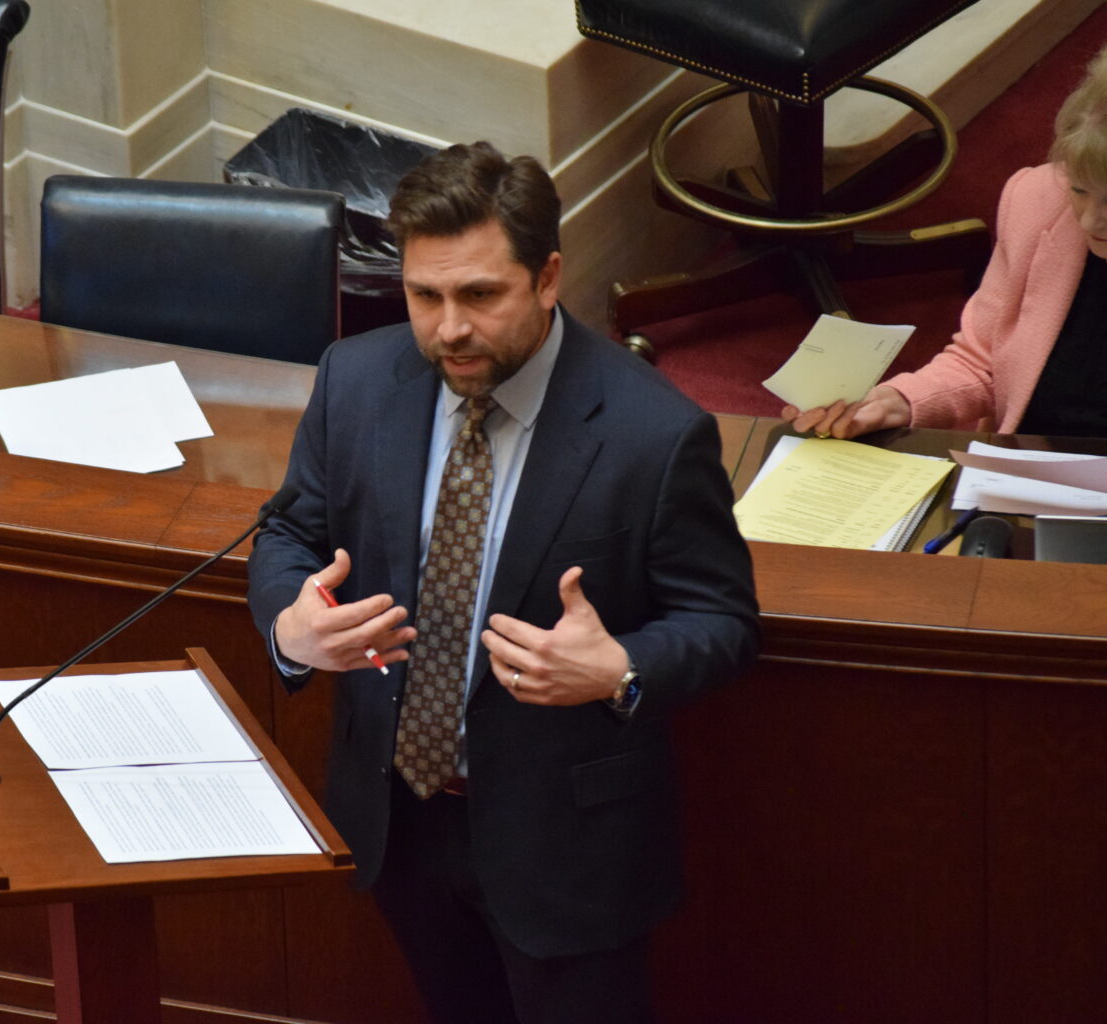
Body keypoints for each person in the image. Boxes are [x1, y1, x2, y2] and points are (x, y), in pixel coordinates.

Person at [246, 141, 759, 1023]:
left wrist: (620, 669)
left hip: (566, 849)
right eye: (425, 296)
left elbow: (723, 620)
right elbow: (290, 530)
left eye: (481, 296)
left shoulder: (655, 433)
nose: (449, 329)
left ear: (548, 277)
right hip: (397, 818)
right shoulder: (355, 381)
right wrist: (292, 630)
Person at [787, 44, 1107, 440]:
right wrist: (900, 401)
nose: (1090, 220)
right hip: (1023, 467)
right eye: (1080, 190)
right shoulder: (1038, 201)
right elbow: (981, 363)